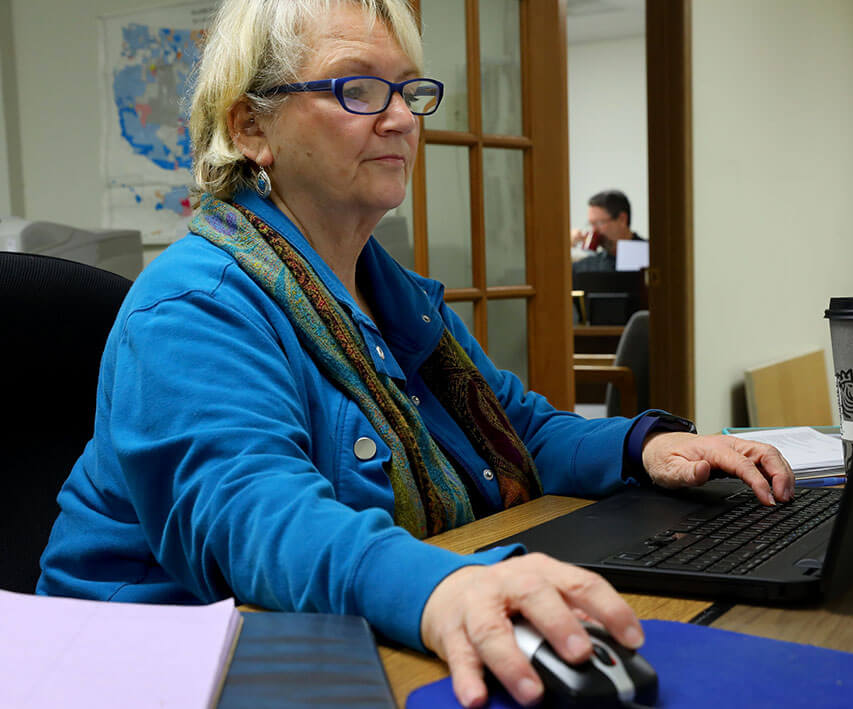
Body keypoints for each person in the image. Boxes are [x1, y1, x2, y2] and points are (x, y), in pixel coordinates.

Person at [36, 1, 794, 706]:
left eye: (408, 90)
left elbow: (518, 429)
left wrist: (647, 443)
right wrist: (441, 589)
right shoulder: (193, 304)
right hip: (149, 673)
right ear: (251, 127)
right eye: (360, 89)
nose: (401, 118)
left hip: (328, 642)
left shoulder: (381, 286)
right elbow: (263, 521)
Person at [570, 189, 645, 273]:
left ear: (622, 219)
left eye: (599, 223)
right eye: (591, 224)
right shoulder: (587, 266)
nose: (594, 230)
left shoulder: (651, 255)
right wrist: (567, 246)